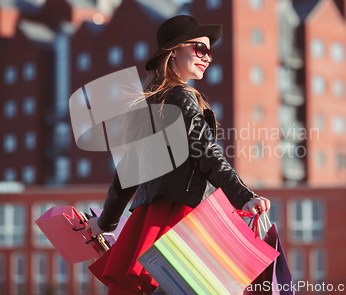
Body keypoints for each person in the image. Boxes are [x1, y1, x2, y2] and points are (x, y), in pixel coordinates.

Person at [86, 15, 271, 295]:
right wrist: (245, 197)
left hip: (151, 218)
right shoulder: (182, 97)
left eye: (210, 51)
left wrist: (105, 222)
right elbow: (207, 154)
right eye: (200, 49)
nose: (207, 57)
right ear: (173, 52)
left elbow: (127, 173)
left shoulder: (153, 103)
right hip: (182, 217)